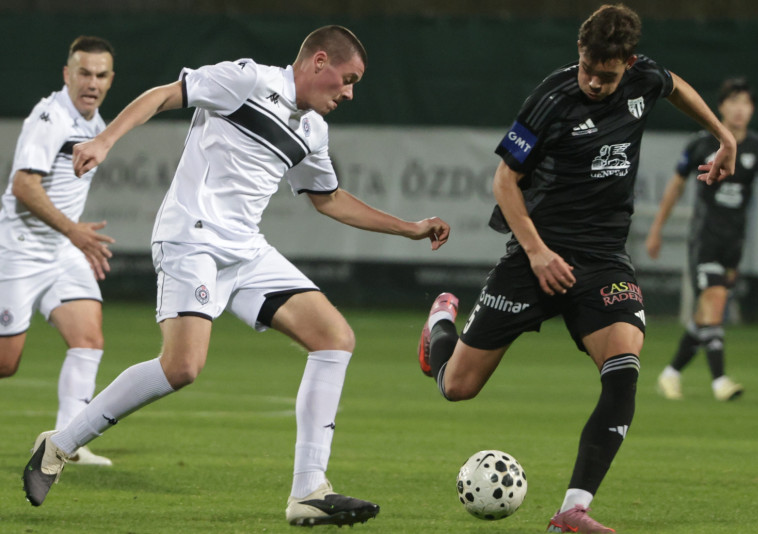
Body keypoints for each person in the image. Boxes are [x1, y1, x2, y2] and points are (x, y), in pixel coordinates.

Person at [22, 25, 450, 527]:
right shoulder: (248, 80)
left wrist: (409, 228)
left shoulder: (313, 130)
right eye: (348, 79)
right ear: (319, 62)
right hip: (191, 238)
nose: (350, 93)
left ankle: (309, 490)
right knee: (182, 367)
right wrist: (104, 139)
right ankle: (59, 445)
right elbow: (165, 95)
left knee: (334, 338)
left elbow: (329, 199)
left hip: (245, 250)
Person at [416, 5, 736, 533]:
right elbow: (504, 180)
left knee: (624, 368)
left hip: (603, 258)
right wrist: (538, 252)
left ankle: (572, 510)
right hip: (536, 252)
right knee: (458, 386)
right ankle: (441, 325)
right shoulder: (553, 98)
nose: (593, 81)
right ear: (580, 53)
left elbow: (676, 85)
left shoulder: (644, 77)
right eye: (587, 67)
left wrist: (724, 136)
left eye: (605, 75)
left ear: (628, 63)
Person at [1, 36, 117, 467]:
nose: (92, 83)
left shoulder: (95, 122)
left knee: (88, 338)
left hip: (61, 249)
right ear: (68, 75)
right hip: (20, 248)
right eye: (84, 73)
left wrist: (70, 237)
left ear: (110, 79)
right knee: (6, 363)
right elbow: (23, 185)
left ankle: (68, 443)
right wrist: (74, 232)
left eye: (100, 75)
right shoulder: (50, 116)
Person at [647, 77, 758, 402]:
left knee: (706, 315)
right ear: (720, 106)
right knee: (715, 303)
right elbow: (676, 186)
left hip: (734, 244)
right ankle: (720, 381)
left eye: (746, 103)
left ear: (752, 110)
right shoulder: (700, 143)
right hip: (705, 238)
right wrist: (657, 228)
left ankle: (670, 374)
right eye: (733, 101)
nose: (739, 109)